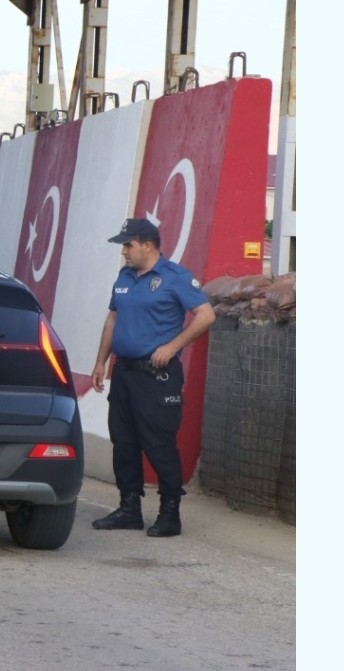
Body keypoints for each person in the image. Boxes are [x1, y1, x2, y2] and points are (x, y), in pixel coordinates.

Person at [89, 217, 215, 538]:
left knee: (158, 443)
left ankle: (170, 512)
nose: (124, 252)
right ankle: (129, 508)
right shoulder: (125, 277)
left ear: (148, 245)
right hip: (124, 373)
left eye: (128, 245)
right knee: (124, 442)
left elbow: (206, 315)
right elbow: (113, 319)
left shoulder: (174, 277)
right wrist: (101, 362)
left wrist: (173, 346)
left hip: (156, 375)